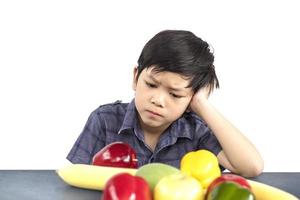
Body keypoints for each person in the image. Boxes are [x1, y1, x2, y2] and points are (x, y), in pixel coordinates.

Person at [67, 30, 264, 177]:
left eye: (175, 94)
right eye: (151, 84)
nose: (158, 100)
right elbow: (77, 178)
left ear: (190, 99)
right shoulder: (105, 120)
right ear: (136, 77)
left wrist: (202, 105)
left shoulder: (196, 130)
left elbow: (251, 166)